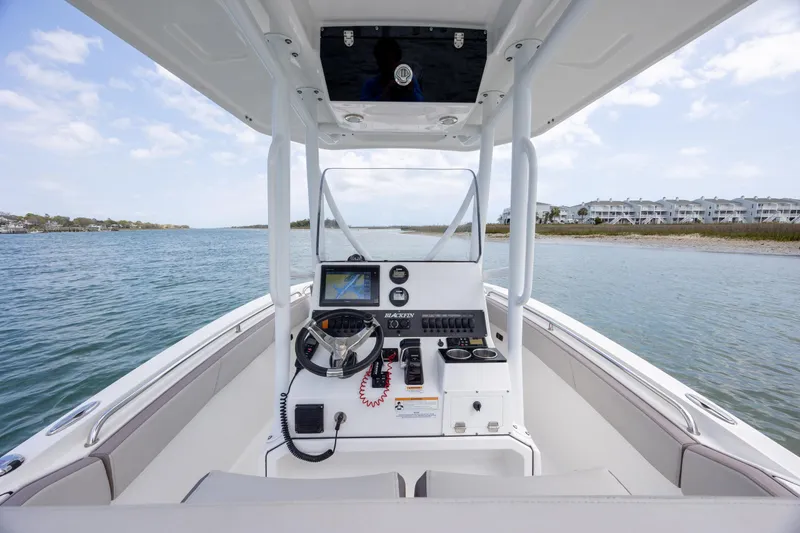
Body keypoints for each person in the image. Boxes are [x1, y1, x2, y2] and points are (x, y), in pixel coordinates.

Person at [360, 38, 423, 102]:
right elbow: (364, 105)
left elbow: (421, 103)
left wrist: (411, 92)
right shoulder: (370, 85)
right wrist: (385, 94)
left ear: (397, 60)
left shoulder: (408, 80)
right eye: (383, 61)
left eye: (389, 61)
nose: (387, 66)